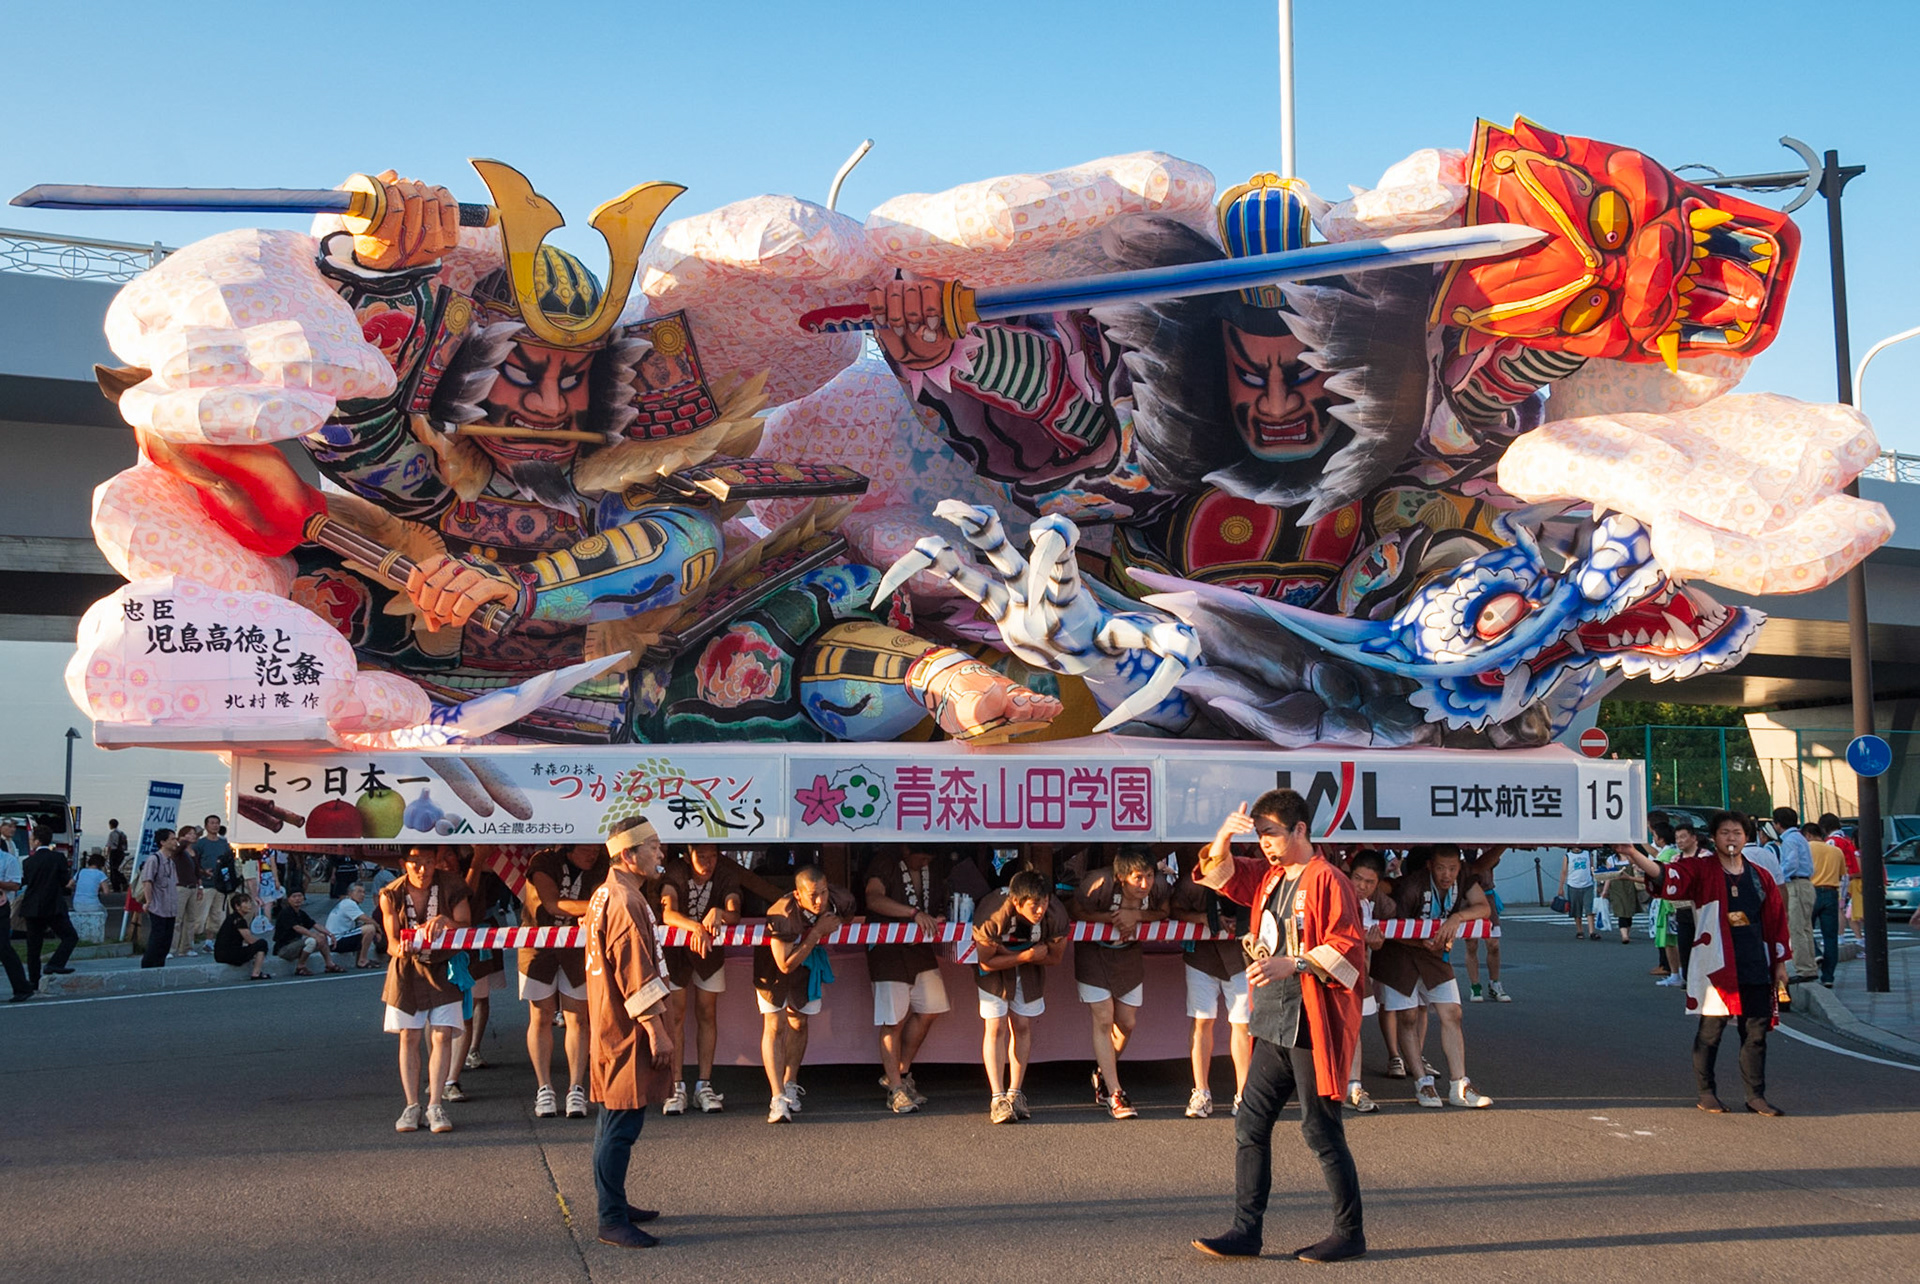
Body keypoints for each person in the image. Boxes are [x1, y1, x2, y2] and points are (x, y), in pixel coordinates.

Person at [1189, 792, 1367, 1265]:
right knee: (1250, 1121)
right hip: (1272, 1019)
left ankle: (1350, 1233)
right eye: (1260, 835)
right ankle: (1246, 1231)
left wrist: (1297, 962)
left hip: (1311, 1020)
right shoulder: (1270, 877)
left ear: (1300, 830)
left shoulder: (1329, 880)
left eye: (1272, 834)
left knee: (1320, 1130)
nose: (1265, 844)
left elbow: (1349, 948)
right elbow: (1218, 873)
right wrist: (1225, 835)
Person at [1619, 810, 1790, 1116]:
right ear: (1714, 838)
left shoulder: (1759, 875)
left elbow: (1776, 920)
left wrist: (1780, 963)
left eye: (1738, 832)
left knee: (1756, 1033)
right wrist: (1633, 853)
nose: (1732, 838)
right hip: (1716, 964)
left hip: (1754, 961)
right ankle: (1706, 1091)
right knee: (1711, 1031)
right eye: (1725, 832)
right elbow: (1667, 877)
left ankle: (1755, 1095)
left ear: (1747, 837)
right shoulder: (1700, 869)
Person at [584, 817, 675, 1249]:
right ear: (628, 854)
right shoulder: (623, 900)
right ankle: (611, 1218)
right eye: (654, 847)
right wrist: (656, 1030)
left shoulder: (605, 894)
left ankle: (614, 1200)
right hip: (626, 1028)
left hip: (610, 1021)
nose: (662, 854)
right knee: (621, 1122)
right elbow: (634, 974)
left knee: (611, 1120)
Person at [1373, 844, 1494, 1108]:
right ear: (1430, 865)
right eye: (1440, 868)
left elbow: (1483, 908)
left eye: (1452, 868)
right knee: (1408, 1017)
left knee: (1453, 1012)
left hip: (1434, 953)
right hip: (1400, 953)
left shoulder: (1463, 879)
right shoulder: (1412, 886)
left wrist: (1457, 918)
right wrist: (1425, 941)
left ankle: (1459, 1083)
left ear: (1459, 867)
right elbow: (1397, 926)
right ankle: (1422, 1083)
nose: (1446, 874)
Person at [1070, 847, 1170, 1120]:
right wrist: (1111, 919)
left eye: (1149, 876)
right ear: (1121, 876)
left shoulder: (1158, 887)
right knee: (1103, 1018)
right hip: (1094, 955)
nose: (1144, 884)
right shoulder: (1099, 883)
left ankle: (1103, 1072)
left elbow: (1165, 911)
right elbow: (1075, 909)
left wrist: (1137, 916)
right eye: (1138, 877)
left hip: (1129, 956)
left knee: (1126, 1022)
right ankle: (1114, 1092)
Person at [378, 847, 473, 1134]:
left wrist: (447, 922)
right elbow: (391, 942)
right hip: (406, 969)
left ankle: (435, 1104)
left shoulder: (452, 885)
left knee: (442, 1034)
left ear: (436, 862)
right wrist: (402, 948)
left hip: (444, 967)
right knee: (409, 1036)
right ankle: (411, 1105)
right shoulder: (390, 894)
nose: (422, 870)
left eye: (428, 862)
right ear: (403, 864)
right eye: (415, 863)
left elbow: (466, 926)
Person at [753, 866, 856, 1123]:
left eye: (823, 892)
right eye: (812, 895)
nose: (819, 900)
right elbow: (785, 964)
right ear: (798, 895)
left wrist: (835, 923)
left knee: (799, 1023)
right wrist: (817, 933)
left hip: (807, 963)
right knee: (775, 1027)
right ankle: (777, 1098)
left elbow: (847, 914)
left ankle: (790, 1082)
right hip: (774, 967)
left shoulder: (838, 898)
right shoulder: (782, 913)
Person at [972, 870, 1070, 1123]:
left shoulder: (1055, 914)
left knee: (1023, 1025)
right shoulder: (993, 914)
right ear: (1016, 902)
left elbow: (1055, 957)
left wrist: (1027, 957)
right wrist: (1023, 956)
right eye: (1034, 905)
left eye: (1044, 902)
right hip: (999, 969)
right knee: (995, 1026)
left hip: (1031, 968)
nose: (1040, 909)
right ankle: (998, 1097)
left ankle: (1016, 1092)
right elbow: (985, 962)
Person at [521, 843, 611, 1120]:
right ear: (569, 848)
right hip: (538, 944)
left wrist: (594, 912)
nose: (592, 854)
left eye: (596, 849)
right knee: (541, 1015)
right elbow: (551, 903)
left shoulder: (603, 864)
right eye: (586, 849)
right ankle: (544, 1087)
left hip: (578, 947)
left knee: (578, 1017)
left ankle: (576, 1087)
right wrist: (598, 908)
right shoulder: (544, 861)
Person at [656, 843, 744, 1115]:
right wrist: (695, 926)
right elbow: (667, 913)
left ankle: (704, 1084)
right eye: (701, 856)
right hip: (676, 953)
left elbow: (734, 911)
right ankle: (676, 1085)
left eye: (713, 856)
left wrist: (720, 914)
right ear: (688, 855)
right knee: (676, 1016)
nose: (708, 862)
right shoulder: (675, 872)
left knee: (707, 1013)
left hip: (709, 953)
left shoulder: (726, 874)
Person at [863, 844, 951, 1115]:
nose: (924, 862)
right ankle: (896, 1090)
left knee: (931, 1009)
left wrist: (935, 917)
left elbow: (934, 902)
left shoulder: (931, 869)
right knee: (893, 1020)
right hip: (888, 951)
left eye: (929, 857)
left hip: (920, 948)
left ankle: (899, 1073)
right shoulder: (884, 861)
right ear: (904, 849)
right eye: (920, 856)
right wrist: (913, 913)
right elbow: (873, 898)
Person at [1172, 846, 1253, 1119]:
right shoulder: (1192, 884)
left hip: (1243, 958)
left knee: (1242, 1025)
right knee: (1202, 1020)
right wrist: (1204, 919)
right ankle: (1201, 1092)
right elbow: (1174, 910)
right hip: (1202, 957)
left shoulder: (1250, 880)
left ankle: (1244, 1095)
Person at [1343, 851, 1392, 1113]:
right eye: (1357, 879)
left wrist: (1373, 945)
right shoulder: (1334, 895)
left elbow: (1372, 943)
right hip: (1325, 970)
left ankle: (1354, 1085)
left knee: (1354, 1028)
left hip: (1356, 970)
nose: (1361, 886)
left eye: (1369, 883)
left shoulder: (1366, 905)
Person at [20, 826, 79, 989]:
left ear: (37, 841)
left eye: (32, 839)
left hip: (32, 907)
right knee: (70, 937)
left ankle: (33, 980)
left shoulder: (27, 862)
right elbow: (64, 882)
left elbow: (27, 882)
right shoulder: (58, 858)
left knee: (33, 946)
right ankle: (55, 963)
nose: (31, 842)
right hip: (53, 905)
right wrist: (69, 884)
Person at [1460, 846, 1511, 1001]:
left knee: (1493, 944)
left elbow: (1494, 861)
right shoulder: (1457, 845)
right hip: (1465, 896)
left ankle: (1495, 983)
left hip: (1487, 895)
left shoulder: (1486, 843)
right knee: (1471, 944)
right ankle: (1475, 986)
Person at [1804, 823, 1845, 988]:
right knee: (1830, 937)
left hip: (1811, 891)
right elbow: (1842, 874)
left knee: (1805, 928)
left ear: (1807, 834)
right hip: (1831, 892)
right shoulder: (1836, 851)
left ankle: (1816, 953)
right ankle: (1828, 977)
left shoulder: (1807, 848)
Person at [136, 829, 182, 968]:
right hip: (158, 905)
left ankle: (159, 966)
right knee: (157, 937)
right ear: (162, 842)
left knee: (166, 940)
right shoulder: (154, 859)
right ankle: (148, 966)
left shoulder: (171, 862)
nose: (175, 842)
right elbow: (147, 881)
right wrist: (148, 901)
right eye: (172, 839)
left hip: (170, 907)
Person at [273, 889, 340, 976]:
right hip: (284, 948)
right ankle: (300, 966)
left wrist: (330, 934)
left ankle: (330, 964)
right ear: (288, 899)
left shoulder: (301, 913)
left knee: (322, 937)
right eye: (294, 896)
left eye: (300, 896)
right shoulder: (285, 913)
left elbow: (315, 925)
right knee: (312, 941)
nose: (297, 899)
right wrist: (314, 935)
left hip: (297, 945)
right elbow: (297, 928)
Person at [170, 825, 211, 957]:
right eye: (190, 834)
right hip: (180, 887)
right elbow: (177, 851)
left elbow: (196, 870)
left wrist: (200, 886)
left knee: (191, 919)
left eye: (194, 834)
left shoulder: (194, 852)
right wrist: (182, 841)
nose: (193, 836)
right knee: (177, 919)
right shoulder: (179, 851)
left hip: (193, 886)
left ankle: (186, 947)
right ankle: (171, 948)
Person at [0, 825, 30, 1000]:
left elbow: (15, 885)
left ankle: (22, 988)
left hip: (2, 907)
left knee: (3, 948)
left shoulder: (8, 860)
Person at [326, 882, 383, 968]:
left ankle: (361, 958)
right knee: (370, 928)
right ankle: (362, 960)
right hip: (337, 941)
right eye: (359, 892)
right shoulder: (348, 903)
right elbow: (366, 919)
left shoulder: (346, 903)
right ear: (350, 893)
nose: (362, 895)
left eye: (364, 892)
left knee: (365, 928)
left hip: (338, 939)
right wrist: (378, 929)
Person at [213, 892, 270, 979]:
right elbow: (250, 940)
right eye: (245, 902)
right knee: (262, 944)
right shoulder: (239, 920)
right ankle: (256, 973)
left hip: (221, 954)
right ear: (237, 906)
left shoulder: (232, 918)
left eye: (249, 902)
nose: (249, 905)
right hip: (229, 954)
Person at [1556, 845, 1598, 939]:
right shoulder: (1568, 856)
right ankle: (1580, 930)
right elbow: (1564, 871)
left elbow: (1592, 868)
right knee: (1576, 909)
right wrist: (1561, 887)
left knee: (1589, 908)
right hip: (1573, 885)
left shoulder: (1587, 854)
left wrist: (1596, 878)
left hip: (1587, 884)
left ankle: (1592, 931)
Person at [104, 819, 128, 888]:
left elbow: (109, 846)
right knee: (116, 869)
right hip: (121, 852)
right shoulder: (122, 833)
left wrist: (107, 855)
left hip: (114, 852)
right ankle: (122, 882)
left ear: (111, 825)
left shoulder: (112, 834)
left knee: (113, 870)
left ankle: (117, 884)